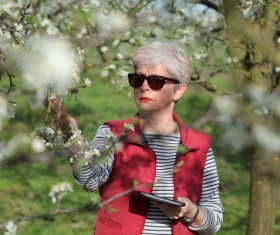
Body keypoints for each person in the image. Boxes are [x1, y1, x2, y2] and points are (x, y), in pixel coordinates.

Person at [46, 40, 223, 235]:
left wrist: (191, 212)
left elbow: (214, 220)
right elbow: (89, 179)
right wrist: (69, 131)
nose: (144, 87)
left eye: (156, 81)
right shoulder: (113, 133)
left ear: (179, 90)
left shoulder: (199, 146)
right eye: (137, 79)